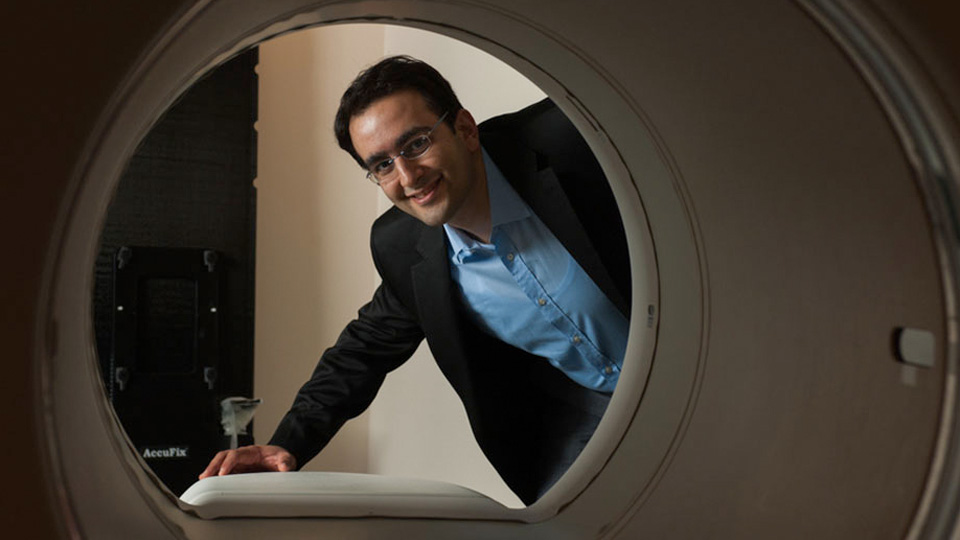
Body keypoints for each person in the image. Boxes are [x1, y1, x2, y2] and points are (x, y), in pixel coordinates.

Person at [200, 55, 631, 504]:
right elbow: (362, 350)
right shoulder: (401, 245)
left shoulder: (574, 141)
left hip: (691, 361)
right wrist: (287, 442)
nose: (407, 177)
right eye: (382, 165)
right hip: (588, 408)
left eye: (416, 144)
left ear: (464, 128)